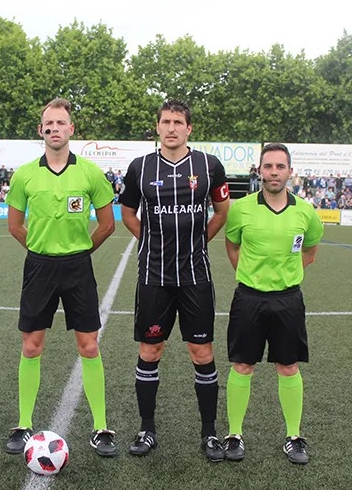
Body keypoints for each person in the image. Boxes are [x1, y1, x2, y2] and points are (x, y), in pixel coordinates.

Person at [4, 97, 117, 457]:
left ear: (71, 129)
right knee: (31, 346)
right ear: (41, 130)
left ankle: (101, 427)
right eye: (48, 124)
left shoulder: (90, 173)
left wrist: (80, 251)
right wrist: (41, 249)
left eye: (60, 123)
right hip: (39, 267)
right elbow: (14, 225)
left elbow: (107, 224)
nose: (54, 128)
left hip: (78, 268)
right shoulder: (25, 175)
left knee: (89, 346)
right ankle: (23, 424)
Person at [120, 99, 231, 461]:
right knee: (150, 350)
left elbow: (221, 211)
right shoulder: (140, 167)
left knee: (202, 353)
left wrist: (199, 241)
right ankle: (146, 429)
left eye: (178, 122)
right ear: (158, 127)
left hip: (196, 275)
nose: (171, 128)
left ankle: (209, 433)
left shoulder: (209, 166)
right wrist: (150, 241)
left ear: (189, 128)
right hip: (154, 275)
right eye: (165, 121)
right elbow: (127, 212)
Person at [222, 143, 323, 465]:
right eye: (269, 166)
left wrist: (285, 274)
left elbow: (310, 252)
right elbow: (232, 246)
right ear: (260, 171)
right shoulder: (241, 209)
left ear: (290, 171)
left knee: (288, 366)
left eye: (280, 166)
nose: (274, 172)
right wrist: (251, 274)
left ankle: (293, 437)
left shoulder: (305, 212)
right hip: (248, 298)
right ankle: (234, 434)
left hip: (288, 299)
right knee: (242, 365)